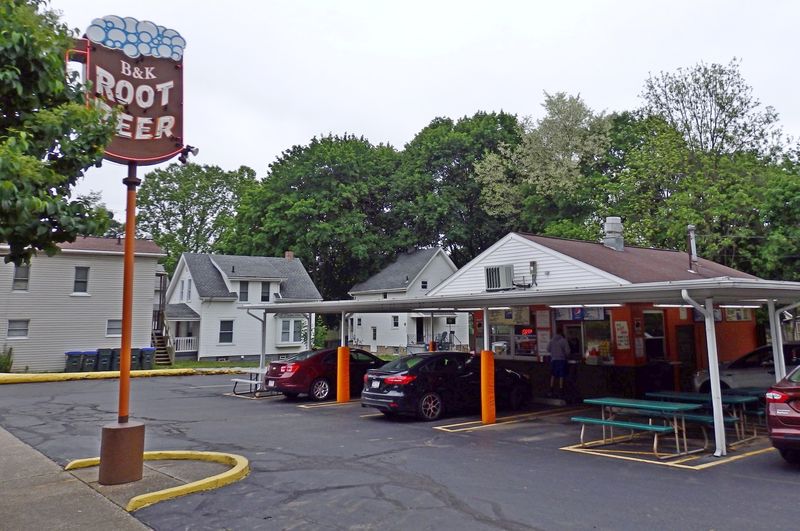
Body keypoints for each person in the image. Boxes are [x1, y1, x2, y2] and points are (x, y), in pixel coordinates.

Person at [548, 329, 570, 397]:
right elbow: (568, 352)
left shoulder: (551, 340)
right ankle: (561, 390)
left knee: (553, 375)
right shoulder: (564, 340)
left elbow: (548, 349)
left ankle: (551, 390)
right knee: (561, 375)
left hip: (553, 360)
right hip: (561, 360)